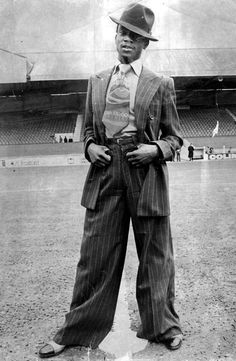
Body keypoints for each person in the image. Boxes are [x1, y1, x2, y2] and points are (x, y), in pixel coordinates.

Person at [39, 3, 183, 358]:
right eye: (122, 33)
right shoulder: (97, 81)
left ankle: (163, 327)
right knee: (95, 255)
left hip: (145, 171)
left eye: (135, 37)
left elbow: (175, 138)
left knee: (156, 255)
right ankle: (77, 331)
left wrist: (155, 151)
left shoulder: (160, 84)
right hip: (106, 171)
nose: (126, 41)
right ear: (115, 37)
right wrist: (90, 148)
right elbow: (89, 130)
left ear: (144, 44)